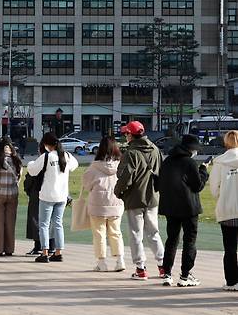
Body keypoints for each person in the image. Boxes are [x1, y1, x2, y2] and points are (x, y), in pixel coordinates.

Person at [114, 121, 165, 280]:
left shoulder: (131, 153)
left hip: (134, 198)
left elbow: (125, 176)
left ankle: (140, 269)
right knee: (154, 232)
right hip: (152, 197)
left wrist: (117, 191)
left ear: (130, 134)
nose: (125, 136)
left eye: (126, 133)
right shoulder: (156, 150)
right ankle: (163, 265)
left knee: (136, 234)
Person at [158, 134, 208, 287]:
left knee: (172, 240)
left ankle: (167, 273)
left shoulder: (167, 161)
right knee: (189, 241)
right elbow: (197, 186)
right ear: (192, 149)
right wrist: (204, 170)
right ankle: (185, 276)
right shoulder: (190, 162)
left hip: (170, 206)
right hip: (189, 207)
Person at [27, 132, 78, 263]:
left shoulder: (46, 156)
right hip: (62, 195)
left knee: (44, 224)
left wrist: (30, 162)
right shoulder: (66, 155)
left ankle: (44, 252)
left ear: (46, 144)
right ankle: (58, 252)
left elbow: (32, 170)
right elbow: (75, 165)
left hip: (47, 195)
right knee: (58, 224)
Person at [82, 136, 125, 272]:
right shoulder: (121, 166)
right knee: (116, 233)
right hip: (116, 203)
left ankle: (102, 263)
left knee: (99, 234)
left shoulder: (93, 167)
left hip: (97, 205)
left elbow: (87, 185)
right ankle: (120, 261)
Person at [208, 130, 238, 291]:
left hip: (227, 209)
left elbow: (214, 189)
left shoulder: (220, 162)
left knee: (230, 248)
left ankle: (232, 281)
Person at [24, 143, 55, 255]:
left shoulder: (38, 163)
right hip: (53, 193)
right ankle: (52, 245)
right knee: (52, 220)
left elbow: (29, 179)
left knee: (37, 220)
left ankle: (38, 246)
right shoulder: (55, 162)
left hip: (37, 193)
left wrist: (28, 190)